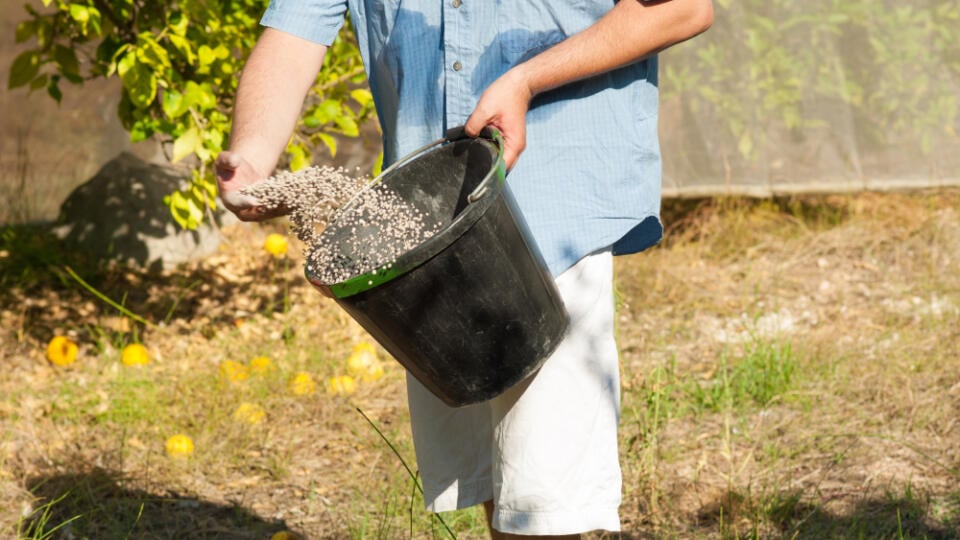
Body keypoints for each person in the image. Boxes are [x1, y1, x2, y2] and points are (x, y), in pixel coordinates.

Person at [216, 1, 713, 537]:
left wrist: (525, 80)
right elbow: (298, 25)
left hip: (554, 196)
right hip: (425, 218)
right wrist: (252, 153)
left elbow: (684, 9)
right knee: (498, 490)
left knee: (548, 502)